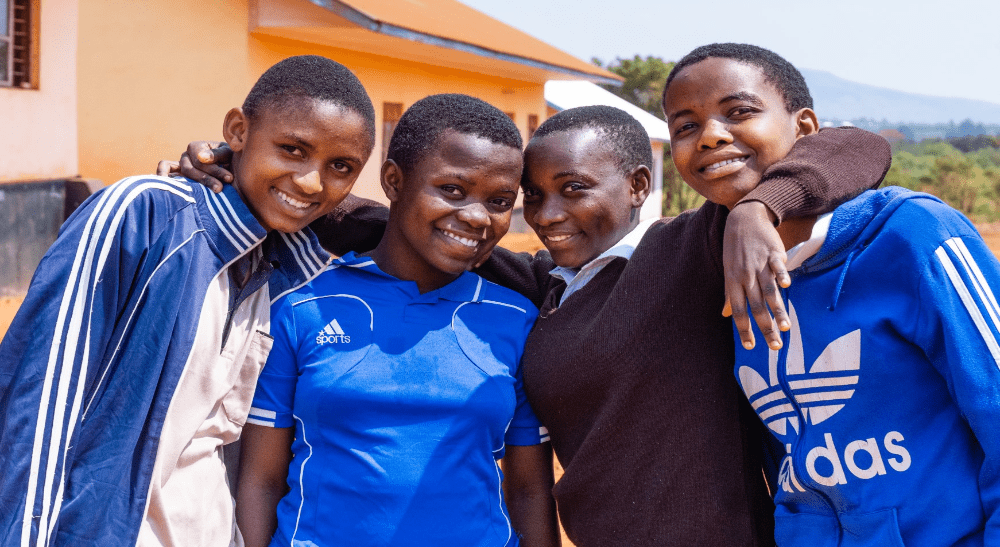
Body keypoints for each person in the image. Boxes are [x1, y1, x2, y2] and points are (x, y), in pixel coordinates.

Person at [168, 104, 891, 546]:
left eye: (572, 191)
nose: (546, 218)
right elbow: (420, 228)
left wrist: (761, 206)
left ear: (640, 187)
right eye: (534, 199)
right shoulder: (544, 288)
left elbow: (859, 144)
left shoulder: (687, 250)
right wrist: (248, 170)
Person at [0, 55, 376, 547]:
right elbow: (41, 407)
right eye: (291, 149)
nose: (311, 181)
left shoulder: (294, 276)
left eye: (340, 167)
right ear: (236, 131)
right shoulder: (144, 214)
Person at [665, 42, 1000, 546]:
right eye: (685, 126)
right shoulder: (710, 267)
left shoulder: (911, 236)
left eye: (739, 112)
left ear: (804, 129)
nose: (710, 136)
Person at [235, 94, 558, 547]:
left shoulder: (516, 321)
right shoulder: (302, 306)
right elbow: (260, 480)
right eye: (452, 190)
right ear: (393, 180)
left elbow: (528, 490)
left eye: (500, 200)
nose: (475, 216)